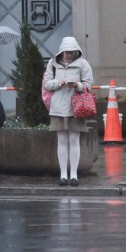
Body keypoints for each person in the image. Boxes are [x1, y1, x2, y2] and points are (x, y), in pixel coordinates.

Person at [43, 34, 94, 186]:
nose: (69, 55)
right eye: (67, 52)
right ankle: (63, 174)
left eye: (72, 52)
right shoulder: (53, 64)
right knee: (62, 141)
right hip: (58, 107)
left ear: (76, 52)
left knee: (74, 140)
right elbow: (47, 84)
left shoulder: (83, 64)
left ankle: (74, 175)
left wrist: (76, 85)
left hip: (76, 107)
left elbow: (88, 84)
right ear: (61, 52)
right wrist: (59, 83)